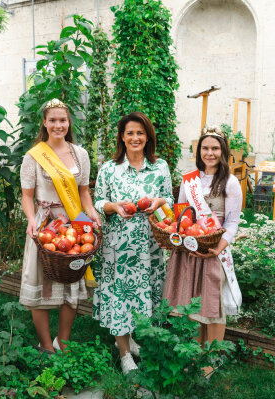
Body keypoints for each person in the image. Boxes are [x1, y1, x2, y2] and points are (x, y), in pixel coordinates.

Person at [93, 112, 173, 374]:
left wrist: (160, 202)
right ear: (122, 137)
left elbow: (170, 200)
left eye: (140, 132)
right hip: (119, 247)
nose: (135, 137)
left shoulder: (160, 166)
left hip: (150, 246)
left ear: (147, 136)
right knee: (121, 296)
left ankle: (136, 340)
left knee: (145, 293)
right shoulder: (109, 168)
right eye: (130, 133)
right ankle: (124, 353)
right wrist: (113, 207)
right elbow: (97, 202)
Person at [19, 98, 102, 354]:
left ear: (69, 122)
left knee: (72, 283)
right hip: (45, 226)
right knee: (40, 284)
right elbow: (27, 196)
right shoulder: (33, 157)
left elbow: (84, 192)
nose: (58, 125)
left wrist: (91, 212)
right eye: (52, 120)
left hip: (73, 223)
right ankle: (46, 345)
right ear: (44, 123)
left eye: (62, 120)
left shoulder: (81, 154)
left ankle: (62, 343)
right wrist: (32, 220)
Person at [162, 130, 242, 375]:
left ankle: (211, 360)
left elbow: (232, 221)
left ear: (223, 152)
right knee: (192, 302)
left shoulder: (230, 181)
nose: (210, 153)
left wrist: (220, 246)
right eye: (205, 148)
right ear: (199, 152)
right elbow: (183, 215)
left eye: (215, 149)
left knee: (212, 303)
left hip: (214, 250)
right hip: (191, 248)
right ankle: (194, 356)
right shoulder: (190, 180)